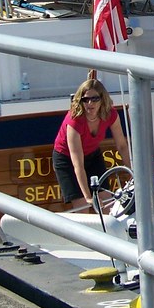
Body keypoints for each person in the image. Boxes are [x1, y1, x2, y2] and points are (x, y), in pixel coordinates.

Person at [52, 78, 130, 209]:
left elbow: (122, 146)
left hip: (92, 154)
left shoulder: (110, 114)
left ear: (102, 99)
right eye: (85, 99)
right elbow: (78, 165)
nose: (90, 103)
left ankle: (105, 229)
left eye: (95, 99)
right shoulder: (75, 120)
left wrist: (132, 171)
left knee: (106, 202)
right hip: (67, 160)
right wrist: (89, 197)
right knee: (82, 206)